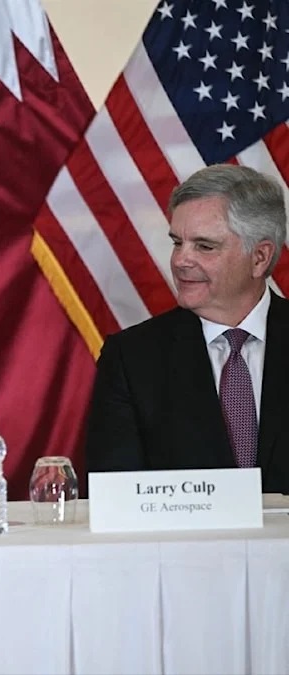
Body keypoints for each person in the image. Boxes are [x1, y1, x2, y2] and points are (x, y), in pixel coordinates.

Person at [85, 164, 289, 493]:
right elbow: (115, 496)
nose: (180, 260)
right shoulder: (132, 359)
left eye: (204, 246)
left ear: (259, 258)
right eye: (177, 243)